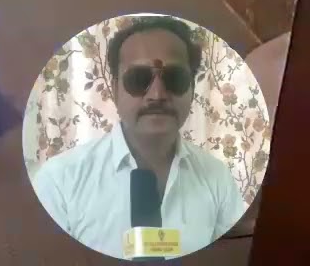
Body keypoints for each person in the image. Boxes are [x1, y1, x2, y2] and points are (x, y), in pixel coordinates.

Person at [31, 15, 250, 259]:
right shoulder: (60, 181)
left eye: (174, 78)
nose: (157, 94)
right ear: (114, 90)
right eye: (138, 79)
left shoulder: (217, 178)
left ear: (192, 89)